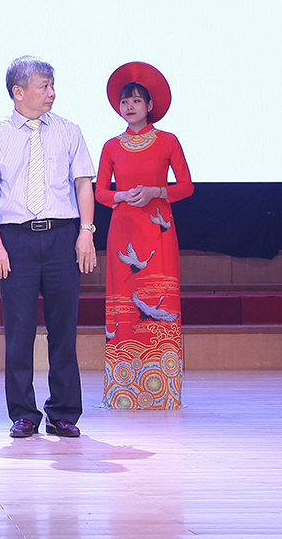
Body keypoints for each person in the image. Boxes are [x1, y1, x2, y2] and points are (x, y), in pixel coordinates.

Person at [0, 56, 98, 439]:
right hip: (16, 240)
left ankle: (63, 412)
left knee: (64, 329)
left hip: (62, 237)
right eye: (44, 86)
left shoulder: (69, 131)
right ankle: (24, 413)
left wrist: (86, 232)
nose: (51, 93)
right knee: (20, 331)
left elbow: (83, 183)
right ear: (18, 91)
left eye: (52, 85)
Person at [94, 62, 193, 410]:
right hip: (123, 229)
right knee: (123, 303)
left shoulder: (168, 141)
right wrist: (121, 196)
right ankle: (123, 391)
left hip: (157, 231)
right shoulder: (111, 146)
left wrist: (156, 191)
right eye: (125, 101)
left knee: (160, 300)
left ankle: (163, 391)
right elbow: (99, 192)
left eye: (137, 100)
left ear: (150, 105)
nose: (130, 106)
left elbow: (186, 186)